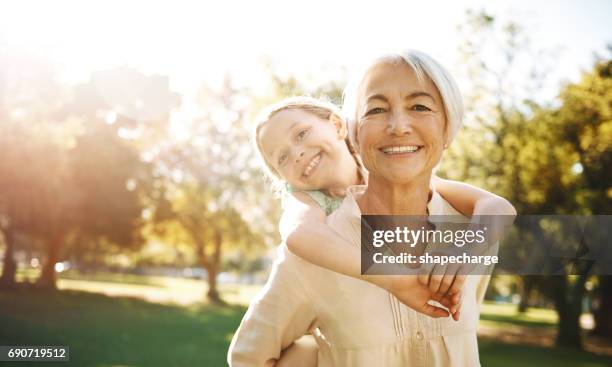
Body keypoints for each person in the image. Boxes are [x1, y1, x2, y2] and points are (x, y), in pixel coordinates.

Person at [229, 50, 513, 366]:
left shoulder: (469, 227)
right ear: (356, 129)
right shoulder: (311, 226)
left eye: (419, 106)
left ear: (338, 126)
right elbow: (298, 234)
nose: (398, 126)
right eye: (281, 157)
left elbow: (496, 206)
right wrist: (392, 277)